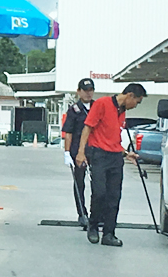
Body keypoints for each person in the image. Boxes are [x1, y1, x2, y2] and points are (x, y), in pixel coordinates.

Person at [76, 83, 145, 247]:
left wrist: (126, 154)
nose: (136, 106)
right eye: (137, 101)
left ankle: (109, 233)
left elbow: (113, 139)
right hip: (99, 154)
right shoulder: (102, 104)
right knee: (99, 192)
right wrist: (81, 152)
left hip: (115, 157)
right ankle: (93, 226)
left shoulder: (122, 112)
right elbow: (87, 128)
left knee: (114, 196)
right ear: (130, 95)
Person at [62, 78, 95, 229]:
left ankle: (97, 215)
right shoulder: (74, 110)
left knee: (98, 184)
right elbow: (68, 132)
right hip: (78, 151)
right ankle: (82, 213)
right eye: (85, 90)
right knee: (79, 183)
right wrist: (67, 152)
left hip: (95, 150)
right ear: (79, 91)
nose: (88, 94)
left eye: (90, 90)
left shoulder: (97, 107)